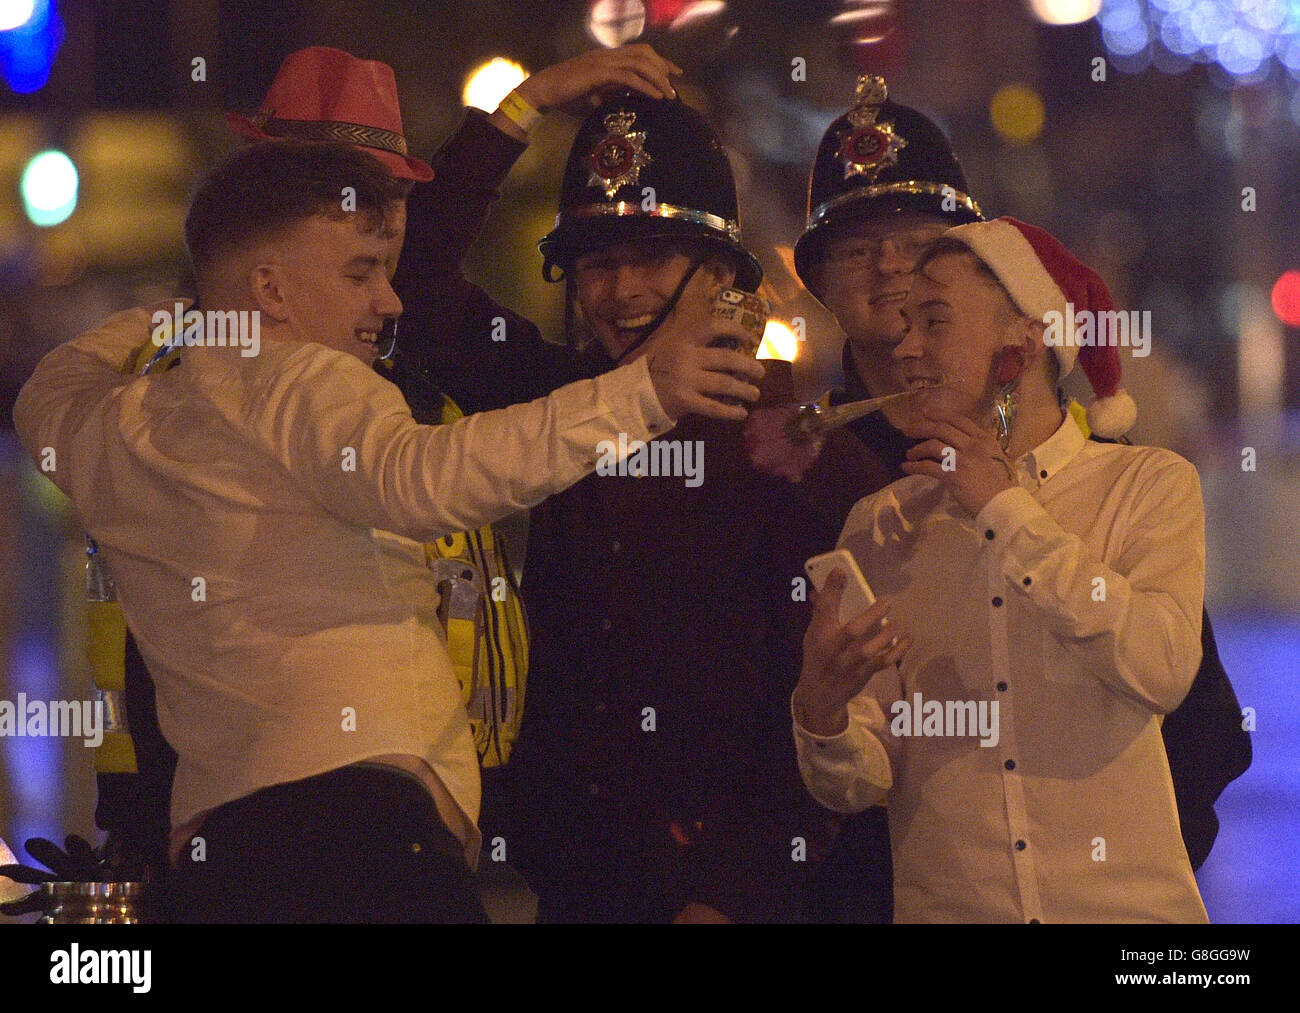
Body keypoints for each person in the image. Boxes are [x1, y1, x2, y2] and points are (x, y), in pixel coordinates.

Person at [12, 138, 763, 923]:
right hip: (362, 841)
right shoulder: (303, 377)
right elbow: (428, 478)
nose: (390, 299)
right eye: (359, 272)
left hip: (216, 852)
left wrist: (190, 310)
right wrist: (643, 394)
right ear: (270, 288)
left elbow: (48, 390)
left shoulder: (117, 425)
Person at [780, 77, 1249, 920]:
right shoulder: (834, 486)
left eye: (915, 243)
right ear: (819, 282)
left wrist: (1123, 861)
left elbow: (1186, 699)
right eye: (855, 249)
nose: (889, 268)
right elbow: (858, 756)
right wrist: (816, 705)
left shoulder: (1132, 480)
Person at [394, 80, 842, 922]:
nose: (623, 288)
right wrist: (525, 104)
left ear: (720, 273)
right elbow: (411, 281)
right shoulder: (559, 401)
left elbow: (823, 703)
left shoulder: (795, 445)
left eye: (652, 257)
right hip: (572, 888)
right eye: (599, 262)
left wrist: (728, 893)